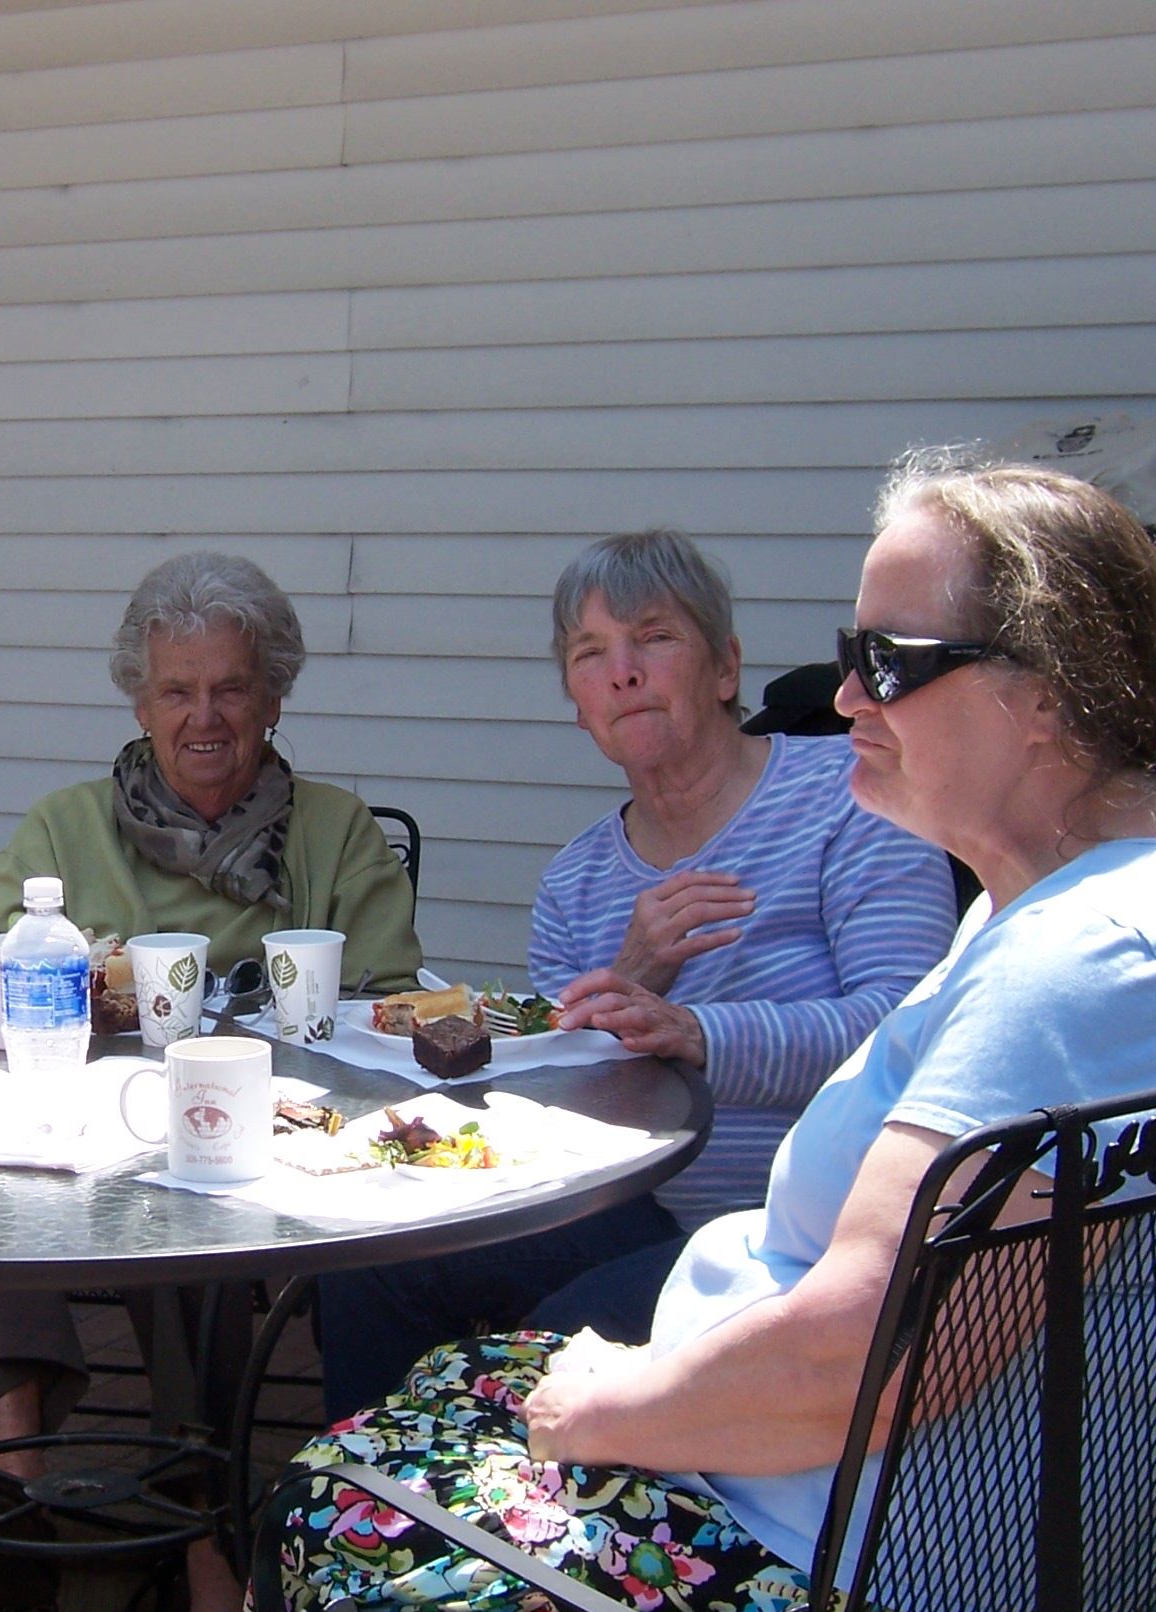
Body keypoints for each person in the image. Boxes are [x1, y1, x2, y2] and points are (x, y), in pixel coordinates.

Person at [199, 457, 1156, 1612]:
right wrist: (634, 981)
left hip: (839, 1592)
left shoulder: (1078, 958)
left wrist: (609, 1408)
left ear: (1043, 695)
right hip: (834, 1480)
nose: (844, 697)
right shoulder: (1047, 914)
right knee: (403, 1335)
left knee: (325, 1519)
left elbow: (871, 1357)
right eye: (844, 652)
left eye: (892, 661)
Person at [0, 550, 422, 1612]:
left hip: (256, 1142)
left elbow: (387, 1006)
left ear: (273, 699)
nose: (204, 717)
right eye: (177, 691)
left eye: (231, 689)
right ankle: (12, 1477)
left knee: (188, 1199)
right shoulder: (64, 827)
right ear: (139, 702)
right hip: (76, 1127)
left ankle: (204, 1558)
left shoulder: (333, 834)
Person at [316, 530, 956, 1416]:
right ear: (578, 703)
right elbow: (544, 1109)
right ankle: (353, 1518)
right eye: (591, 653)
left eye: (654, 638)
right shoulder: (576, 880)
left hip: (803, 1242)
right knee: (373, 1269)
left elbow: (909, 1026)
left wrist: (696, 1033)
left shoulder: (851, 797)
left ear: (725, 668)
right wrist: (634, 968)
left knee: (547, 1342)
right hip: (628, 1214)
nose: (622, 672)